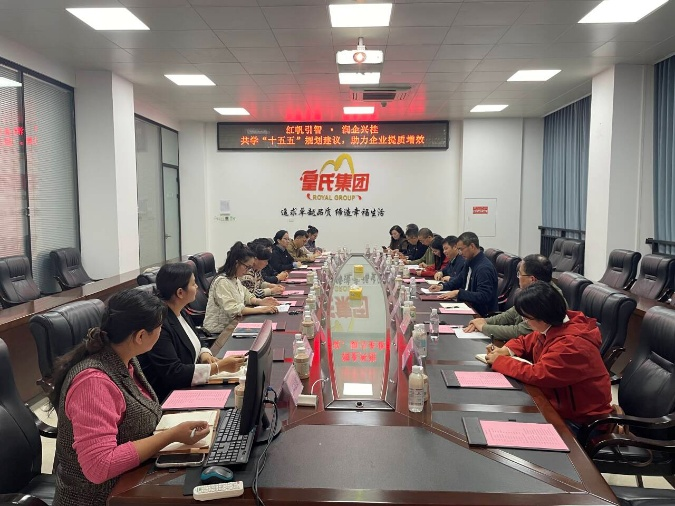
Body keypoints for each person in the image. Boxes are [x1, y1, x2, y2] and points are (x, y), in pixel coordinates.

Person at [50, 289, 210, 506]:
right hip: (100, 498)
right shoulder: (93, 382)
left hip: (132, 481)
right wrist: (171, 435)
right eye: (160, 327)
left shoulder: (125, 359)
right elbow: (99, 467)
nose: (162, 331)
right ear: (140, 336)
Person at [485, 282, 612, 430]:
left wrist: (500, 361)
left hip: (580, 420)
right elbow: (526, 341)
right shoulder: (553, 327)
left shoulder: (572, 345)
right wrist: (506, 350)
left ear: (543, 317)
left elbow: (539, 374)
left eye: (527, 319)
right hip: (556, 403)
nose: (526, 322)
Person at [138, 263, 247, 402]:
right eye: (193, 284)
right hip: (172, 397)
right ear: (180, 292)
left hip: (191, 385)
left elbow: (196, 337)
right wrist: (218, 367)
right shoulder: (160, 325)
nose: (197, 287)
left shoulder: (180, 311)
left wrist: (204, 353)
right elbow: (174, 373)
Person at [464, 254, 567, 342]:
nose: (518, 277)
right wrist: (484, 321)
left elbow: (519, 331)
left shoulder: (547, 299)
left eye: (520, 274)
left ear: (532, 279)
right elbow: (511, 315)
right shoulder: (533, 292)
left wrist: (484, 327)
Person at [203, 242, 279, 334]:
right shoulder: (222, 282)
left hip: (234, 325)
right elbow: (234, 310)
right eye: (247, 267)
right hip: (220, 331)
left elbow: (247, 295)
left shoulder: (235, 278)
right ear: (237, 263)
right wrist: (262, 309)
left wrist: (261, 302)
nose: (248, 270)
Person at [428, 231, 498, 317]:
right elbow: (459, 280)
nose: (460, 253)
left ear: (472, 246)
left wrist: (458, 293)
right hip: (466, 305)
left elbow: (483, 296)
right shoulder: (469, 261)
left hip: (479, 313)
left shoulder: (484, 268)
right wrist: (441, 286)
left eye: (461, 249)